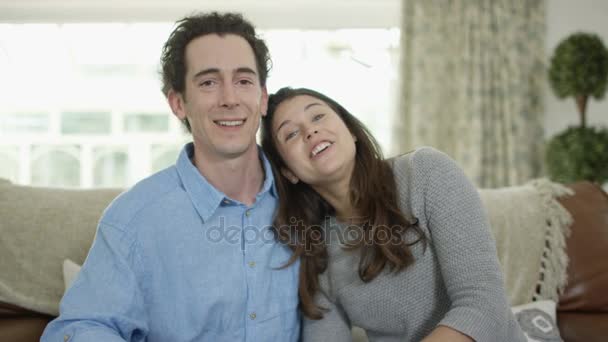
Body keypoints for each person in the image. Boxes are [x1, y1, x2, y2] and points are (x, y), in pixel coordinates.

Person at [41, 12, 300, 342]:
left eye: (243, 81)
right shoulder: (133, 220)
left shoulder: (305, 196)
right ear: (178, 103)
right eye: (208, 82)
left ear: (262, 98)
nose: (230, 99)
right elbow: (81, 328)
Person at [260, 87, 527, 342]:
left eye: (317, 115)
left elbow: (484, 304)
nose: (310, 130)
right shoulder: (318, 250)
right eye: (291, 134)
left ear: (350, 130)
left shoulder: (425, 172)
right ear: (288, 172)